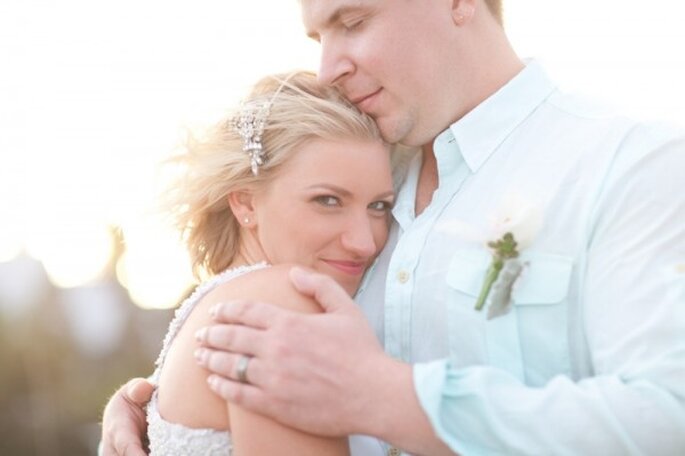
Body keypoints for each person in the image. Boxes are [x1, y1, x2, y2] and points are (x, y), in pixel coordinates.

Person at [103, 0, 685, 454]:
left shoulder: (630, 164)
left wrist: (384, 398)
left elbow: (668, 419)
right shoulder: (356, 179)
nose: (329, 66)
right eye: (319, 37)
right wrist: (169, 409)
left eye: (352, 20)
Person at [106, 70, 400, 455]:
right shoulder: (278, 305)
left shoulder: (225, 301)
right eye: (328, 201)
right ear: (245, 202)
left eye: (379, 206)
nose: (364, 242)